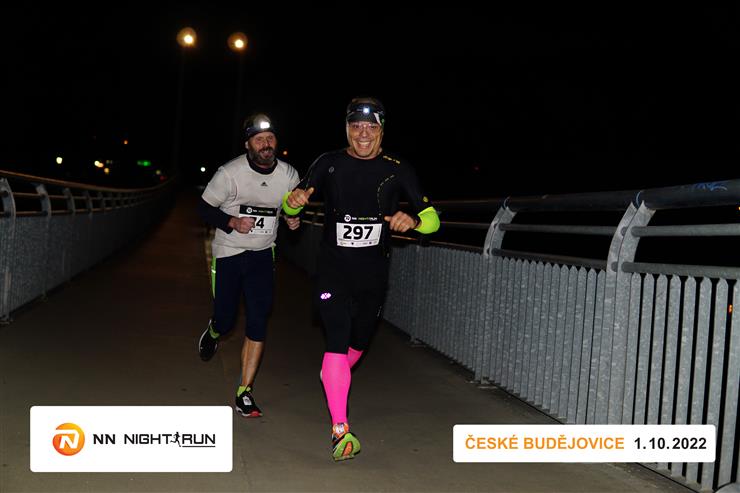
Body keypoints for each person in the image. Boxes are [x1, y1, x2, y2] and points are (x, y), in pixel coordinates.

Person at [282, 97, 440, 461]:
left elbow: (433, 220)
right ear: (347, 129)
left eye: (371, 127)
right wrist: (294, 201)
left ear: (382, 130)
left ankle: (332, 374)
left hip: (373, 275)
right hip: (333, 270)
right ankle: (341, 430)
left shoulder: (398, 169)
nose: (363, 134)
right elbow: (291, 204)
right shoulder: (329, 162)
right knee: (337, 339)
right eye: (356, 126)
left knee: (357, 344)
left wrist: (415, 221)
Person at [198, 113, 301, 418]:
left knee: (258, 319)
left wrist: (293, 219)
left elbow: (290, 208)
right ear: (248, 145)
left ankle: (244, 390)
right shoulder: (230, 174)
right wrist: (231, 221)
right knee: (226, 319)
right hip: (229, 252)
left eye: (270, 138)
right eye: (259, 139)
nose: (266, 144)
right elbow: (203, 208)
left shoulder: (289, 175)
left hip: (262, 254)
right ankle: (214, 332)